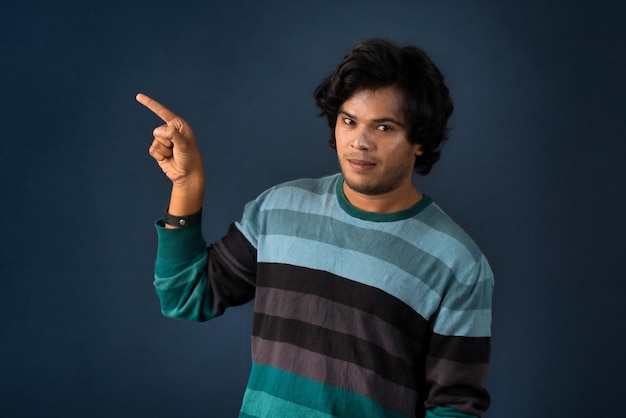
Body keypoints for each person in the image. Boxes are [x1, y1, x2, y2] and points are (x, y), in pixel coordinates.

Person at [137, 38, 493, 418]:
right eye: (349, 120)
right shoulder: (279, 209)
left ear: (419, 140)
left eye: (385, 127)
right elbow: (185, 297)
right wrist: (187, 186)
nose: (360, 141)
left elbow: (454, 409)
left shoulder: (459, 262)